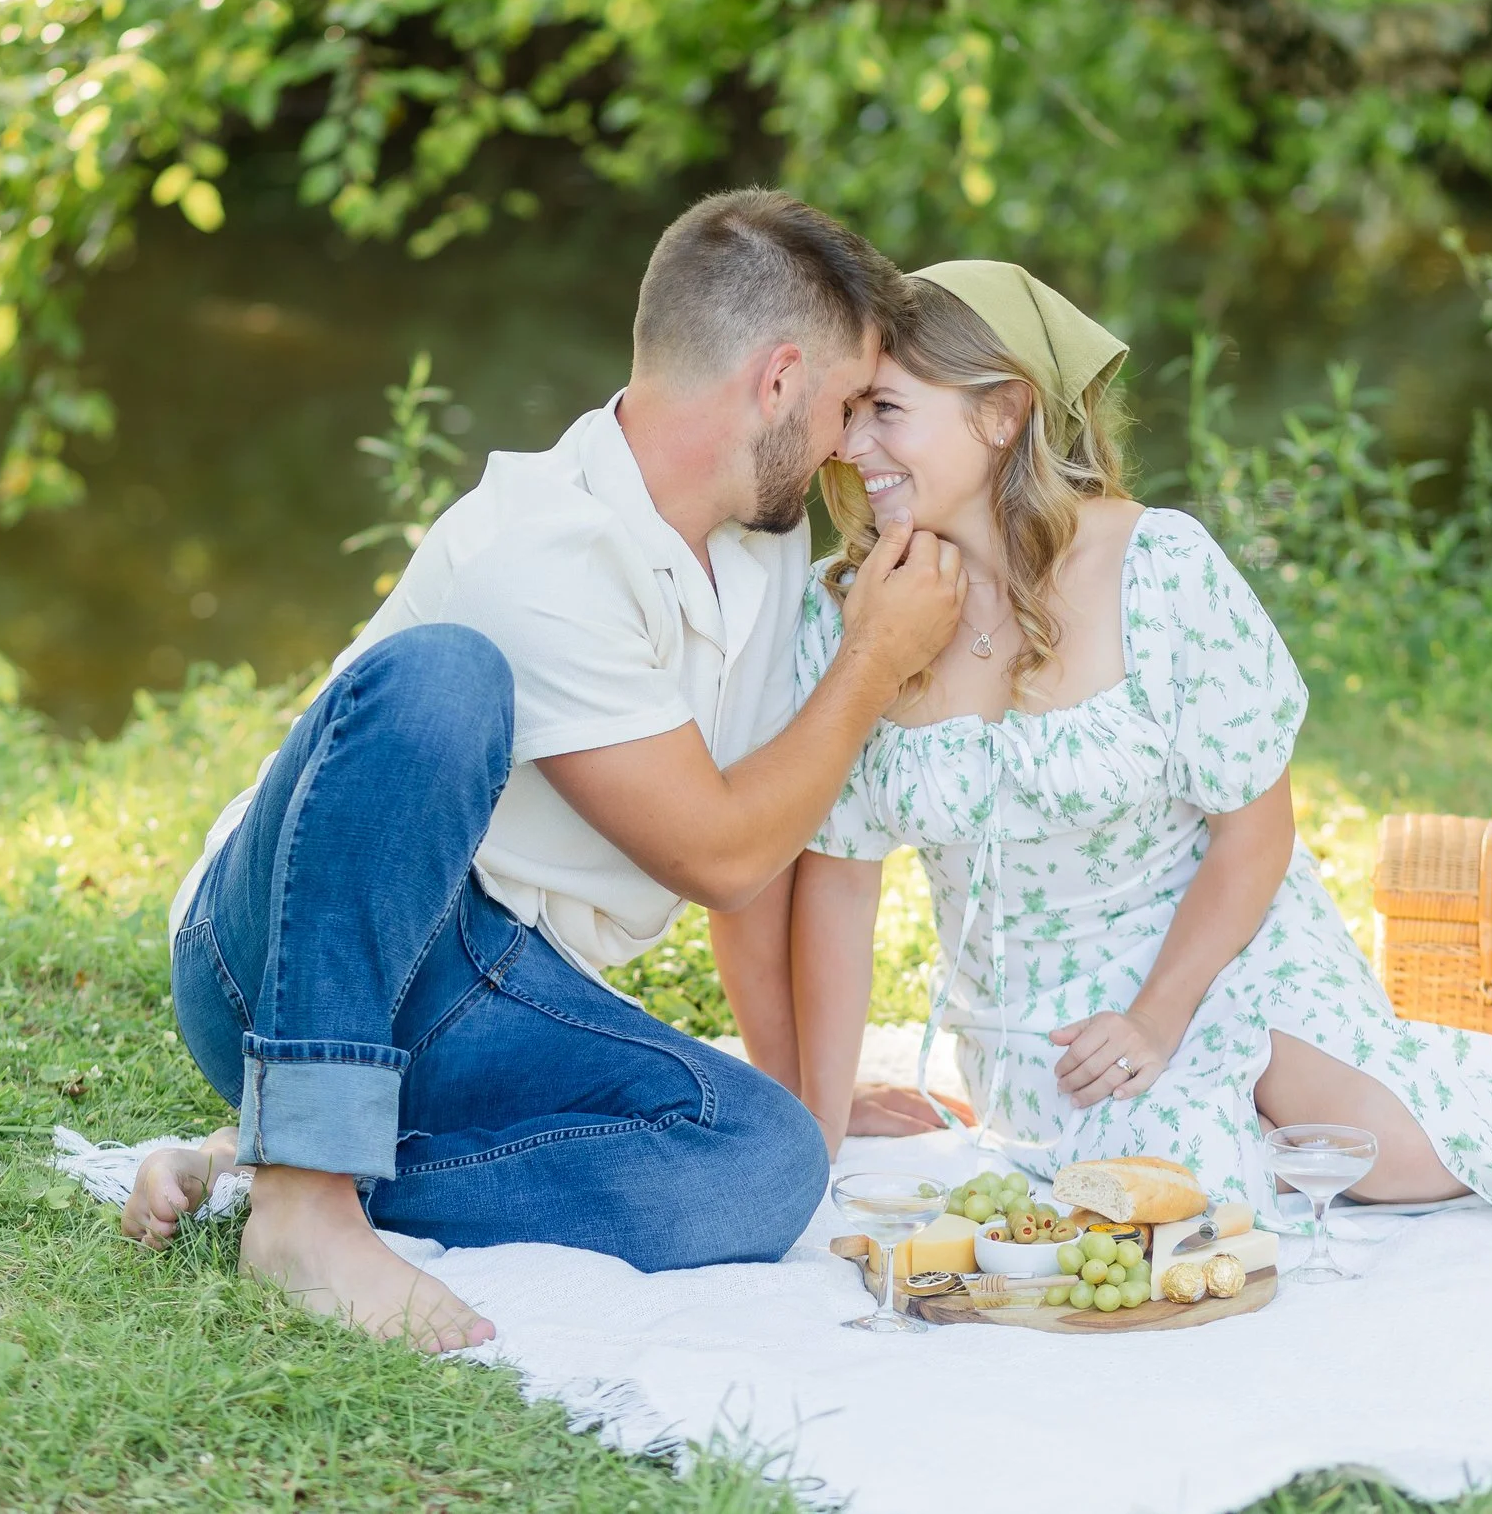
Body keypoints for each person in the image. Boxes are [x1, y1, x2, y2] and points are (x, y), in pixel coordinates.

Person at [715, 258, 1492, 1229]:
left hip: (1221, 947)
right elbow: (840, 884)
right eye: (851, 412)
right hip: (1036, 1031)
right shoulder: (848, 611)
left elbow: (1254, 833)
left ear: (1002, 413)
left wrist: (1157, 1018)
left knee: (1377, 1150)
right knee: (1153, 1202)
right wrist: (817, 1131)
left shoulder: (1161, 569)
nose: (850, 446)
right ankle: (1248, 1129)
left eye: (886, 411)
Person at [126, 190, 967, 1352]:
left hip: (506, 987)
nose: (844, 442)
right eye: (843, 403)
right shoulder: (536, 547)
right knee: (444, 677)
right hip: (287, 954)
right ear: (777, 381)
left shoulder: (764, 542)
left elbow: (759, 817)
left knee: (767, 1162)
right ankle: (303, 1201)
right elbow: (719, 855)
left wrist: (804, 1098)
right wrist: (873, 659)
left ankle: (264, 1163)